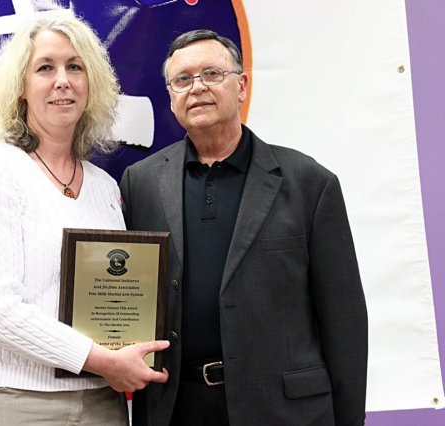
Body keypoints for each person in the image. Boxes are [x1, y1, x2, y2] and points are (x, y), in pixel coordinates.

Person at [120, 29, 368, 426]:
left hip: (284, 411)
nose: (197, 88)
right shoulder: (141, 182)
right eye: (183, 79)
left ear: (242, 86)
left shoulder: (309, 182)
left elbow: (345, 320)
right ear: (171, 96)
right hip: (178, 408)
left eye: (212, 74)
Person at [0, 10, 168, 426]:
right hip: (10, 404)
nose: (62, 80)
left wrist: (121, 355)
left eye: (75, 67)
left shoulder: (105, 187)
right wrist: (100, 359)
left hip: (101, 402)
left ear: (91, 84)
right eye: (45, 68)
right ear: (20, 87)